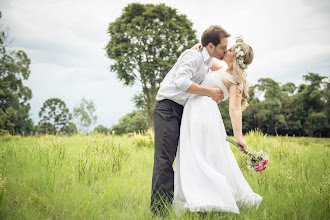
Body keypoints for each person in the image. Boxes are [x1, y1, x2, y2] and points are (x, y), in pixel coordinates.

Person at [173, 37, 263, 214]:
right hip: (192, 110)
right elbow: (205, 57)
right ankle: (197, 196)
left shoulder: (235, 81)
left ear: (235, 58)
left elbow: (235, 109)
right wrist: (197, 48)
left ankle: (207, 199)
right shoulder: (220, 67)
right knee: (191, 152)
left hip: (204, 114)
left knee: (199, 154)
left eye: (230, 50)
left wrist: (238, 137)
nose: (226, 50)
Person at [151, 25, 231, 214]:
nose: (225, 51)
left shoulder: (206, 61)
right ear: (211, 46)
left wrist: (205, 50)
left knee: (186, 159)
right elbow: (181, 82)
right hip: (168, 108)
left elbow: (226, 66)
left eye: (227, 48)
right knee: (164, 160)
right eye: (222, 48)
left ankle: (189, 202)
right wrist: (210, 92)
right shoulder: (193, 56)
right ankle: (159, 212)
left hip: (184, 111)